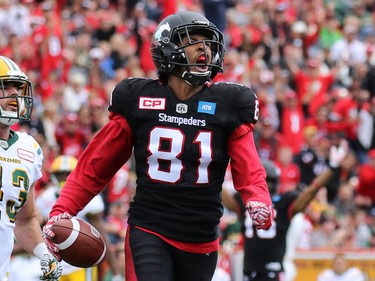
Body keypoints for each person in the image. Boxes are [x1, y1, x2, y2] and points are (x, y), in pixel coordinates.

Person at [41, 11, 274, 281]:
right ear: (168, 47)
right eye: (194, 40)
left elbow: (248, 166)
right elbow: (96, 166)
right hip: (150, 229)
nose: (204, 49)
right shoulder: (138, 98)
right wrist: (62, 210)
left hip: (202, 238)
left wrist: (259, 199)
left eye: (208, 43)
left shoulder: (230, 103)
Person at [222, 140, 349, 281]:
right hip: (256, 269)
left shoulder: (260, 202)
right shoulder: (273, 202)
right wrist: (332, 167)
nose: (265, 186)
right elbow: (312, 190)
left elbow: (311, 192)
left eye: (267, 182)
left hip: (269, 270)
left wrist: (209, 168)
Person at [0, 55, 62, 281]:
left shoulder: (28, 150)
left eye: (17, 87)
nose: (15, 94)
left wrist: (43, 254)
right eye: (5, 87)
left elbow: (24, 220)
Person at [36, 155, 123, 281]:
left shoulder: (90, 200)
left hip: (81, 261)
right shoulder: (44, 199)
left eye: (67, 174)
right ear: (52, 176)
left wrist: (116, 274)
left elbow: (102, 236)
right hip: (55, 263)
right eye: (60, 174)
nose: (64, 178)